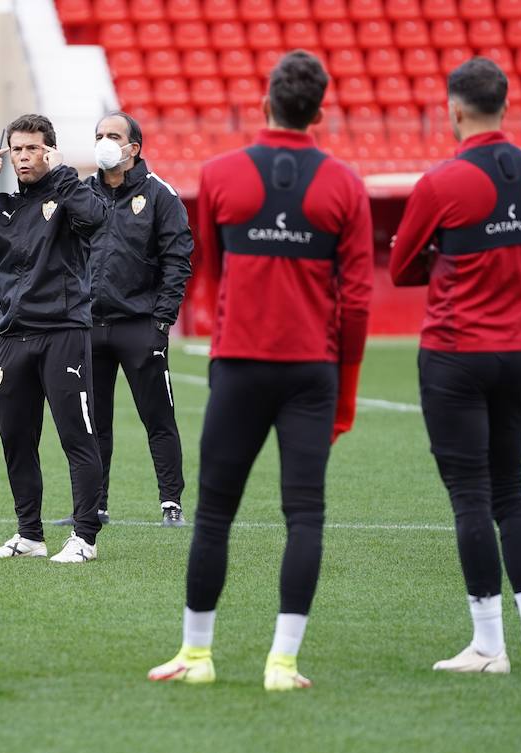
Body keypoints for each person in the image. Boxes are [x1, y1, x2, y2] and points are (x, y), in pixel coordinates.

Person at [147, 51, 371, 691]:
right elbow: (356, 302)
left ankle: (196, 656)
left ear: (266, 103)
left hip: (240, 366)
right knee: (305, 515)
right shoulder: (346, 184)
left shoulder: (219, 174)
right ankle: (283, 663)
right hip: (312, 373)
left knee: (215, 513)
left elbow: (212, 274)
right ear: (319, 112)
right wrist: (345, 394)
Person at [390, 57, 521, 673]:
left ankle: (489, 646)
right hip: (515, 351)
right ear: (506, 105)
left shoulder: (442, 181)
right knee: (510, 494)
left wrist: (443, 255)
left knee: (470, 499)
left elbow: (401, 267)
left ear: (455, 109)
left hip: (455, 352)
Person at [0, 113, 109, 563]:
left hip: (63, 333)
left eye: (32, 149)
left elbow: (95, 218)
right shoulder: (2, 206)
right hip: (14, 337)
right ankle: (29, 536)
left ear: (49, 151)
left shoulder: (70, 195)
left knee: (77, 438)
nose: (23, 157)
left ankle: (85, 539)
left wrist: (64, 174)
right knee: (16, 439)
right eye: (17, 150)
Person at [52, 111, 192, 528]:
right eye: (99, 135)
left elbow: (178, 260)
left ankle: (171, 504)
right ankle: (94, 507)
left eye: (113, 135)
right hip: (88, 326)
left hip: (140, 325)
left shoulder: (160, 194)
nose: (104, 142)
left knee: (158, 417)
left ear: (133, 147)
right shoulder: (81, 192)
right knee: (93, 423)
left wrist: (162, 321)